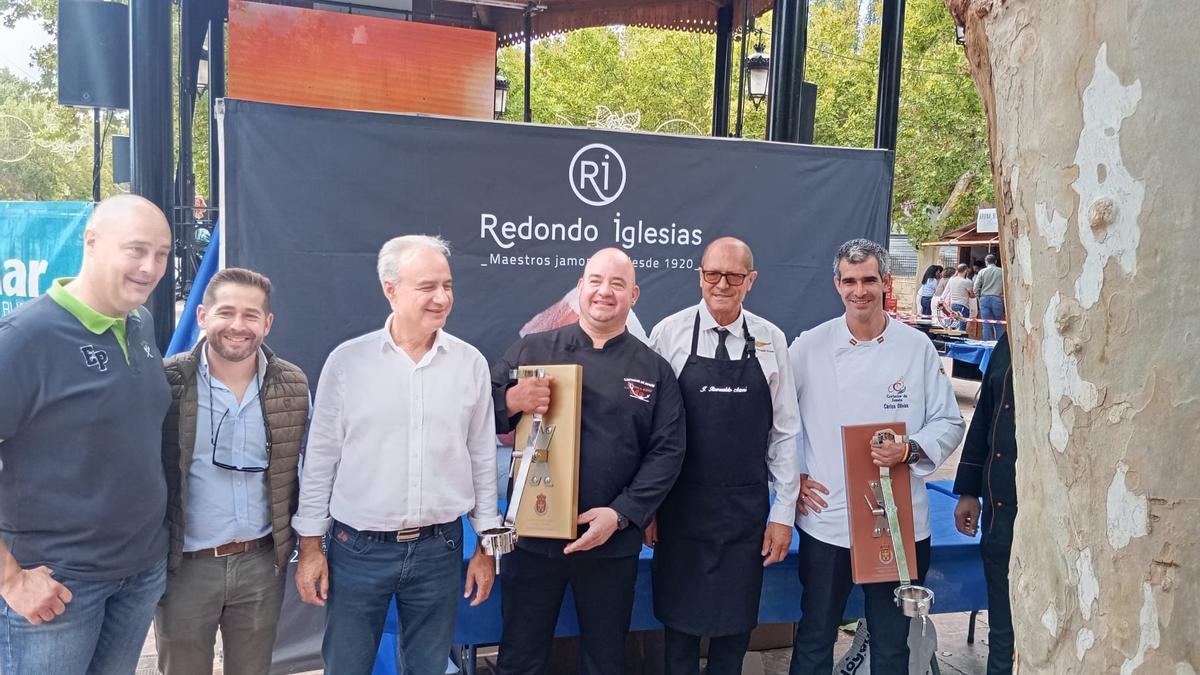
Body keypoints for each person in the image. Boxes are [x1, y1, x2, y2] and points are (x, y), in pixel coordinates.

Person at [293, 235, 500, 675]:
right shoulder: (348, 364)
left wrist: (486, 548)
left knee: (428, 668)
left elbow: (482, 460)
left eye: (447, 285)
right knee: (346, 666)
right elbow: (320, 462)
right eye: (427, 286)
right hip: (357, 549)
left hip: (440, 548)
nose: (441, 297)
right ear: (390, 288)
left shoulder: (470, 364)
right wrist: (310, 547)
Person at [0, 195, 173, 674]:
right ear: (92, 242)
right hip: (58, 585)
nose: (150, 267)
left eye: (161, 253)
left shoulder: (139, 324)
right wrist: (10, 579)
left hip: (139, 572)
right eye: (136, 250)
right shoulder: (23, 339)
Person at [492, 248, 686, 675]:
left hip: (610, 543)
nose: (605, 291)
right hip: (531, 539)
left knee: (605, 659)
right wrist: (510, 399)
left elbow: (667, 452)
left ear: (633, 295)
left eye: (618, 284)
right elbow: (477, 414)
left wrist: (622, 514)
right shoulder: (531, 350)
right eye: (596, 280)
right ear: (580, 287)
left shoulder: (653, 369)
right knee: (519, 658)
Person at [787, 239, 965, 675]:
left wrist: (909, 449)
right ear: (837, 284)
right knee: (814, 637)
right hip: (829, 519)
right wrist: (794, 480)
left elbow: (949, 422)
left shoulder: (917, 347)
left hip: (897, 523)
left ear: (885, 282)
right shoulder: (808, 348)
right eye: (850, 281)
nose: (859, 291)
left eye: (869, 280)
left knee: (891, 645)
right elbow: (781, 426)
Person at [647, 237, 800, 675]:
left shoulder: (771, 339)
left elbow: (785, 432)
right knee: (678, 633)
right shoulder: (668, 334)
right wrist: (649, 507)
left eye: (734, 275)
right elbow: (653, 430)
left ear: (750, 280)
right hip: (681, 511)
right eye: (712, 273)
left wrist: (783, 514)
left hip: (744, 514)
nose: (721, 284)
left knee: (734, 635)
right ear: (700, 275)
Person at [156, 268, 309, 675]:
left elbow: (301, 472)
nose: (238, 326)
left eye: (251, 315)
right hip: (187, 566)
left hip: (261, 565)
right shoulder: (167, 382)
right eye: (226, 313)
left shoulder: (292, 385)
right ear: (203, 315)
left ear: (268, 323)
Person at [953, 336, 1016, 674]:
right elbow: (984, 419)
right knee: (1003, 631)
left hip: (1056, 520)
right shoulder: (1008, 342)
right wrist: (968, 491)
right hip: (1001, 511)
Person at [973, 254, 1006, 341]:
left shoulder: (982, 272)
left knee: (986, 324)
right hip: (997, 298)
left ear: (986, 262)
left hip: (984, 298)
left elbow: (975, 288)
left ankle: (986, 345)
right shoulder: (1001, 271)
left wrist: (978, 297)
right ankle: (999, 345)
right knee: (998, 323)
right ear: (995, 261)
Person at [940, 263, 975, 330]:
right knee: (961, 327)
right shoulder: (967, 282)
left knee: (953, 325)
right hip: (963, 306)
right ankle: (959, 339)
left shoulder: (951, 280)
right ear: (965, 271)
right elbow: (972, 295)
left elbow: (946, 290)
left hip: (953, 305)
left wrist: (942, 299)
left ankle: (951, 339)